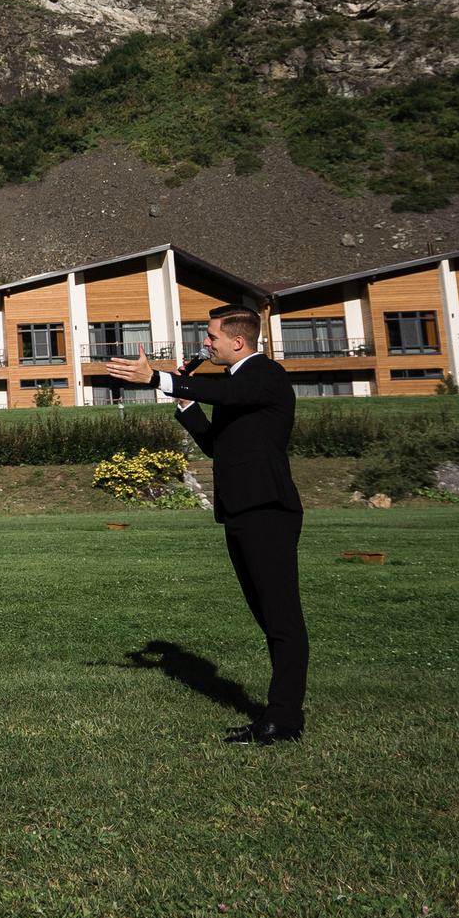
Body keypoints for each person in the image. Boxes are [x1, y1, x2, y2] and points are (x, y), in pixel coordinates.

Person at [109, 306, 306, 743]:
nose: (206, 343)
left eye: (212, 335)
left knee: (282, 618)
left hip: (268, 511)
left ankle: (284, 720)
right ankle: (282, 714)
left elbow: (231, 396)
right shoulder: (237, 387)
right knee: (267, 616)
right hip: (240, 512)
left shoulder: (265, 376)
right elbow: (220, 448)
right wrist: (186, 401)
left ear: (238, 341)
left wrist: (159, 379)